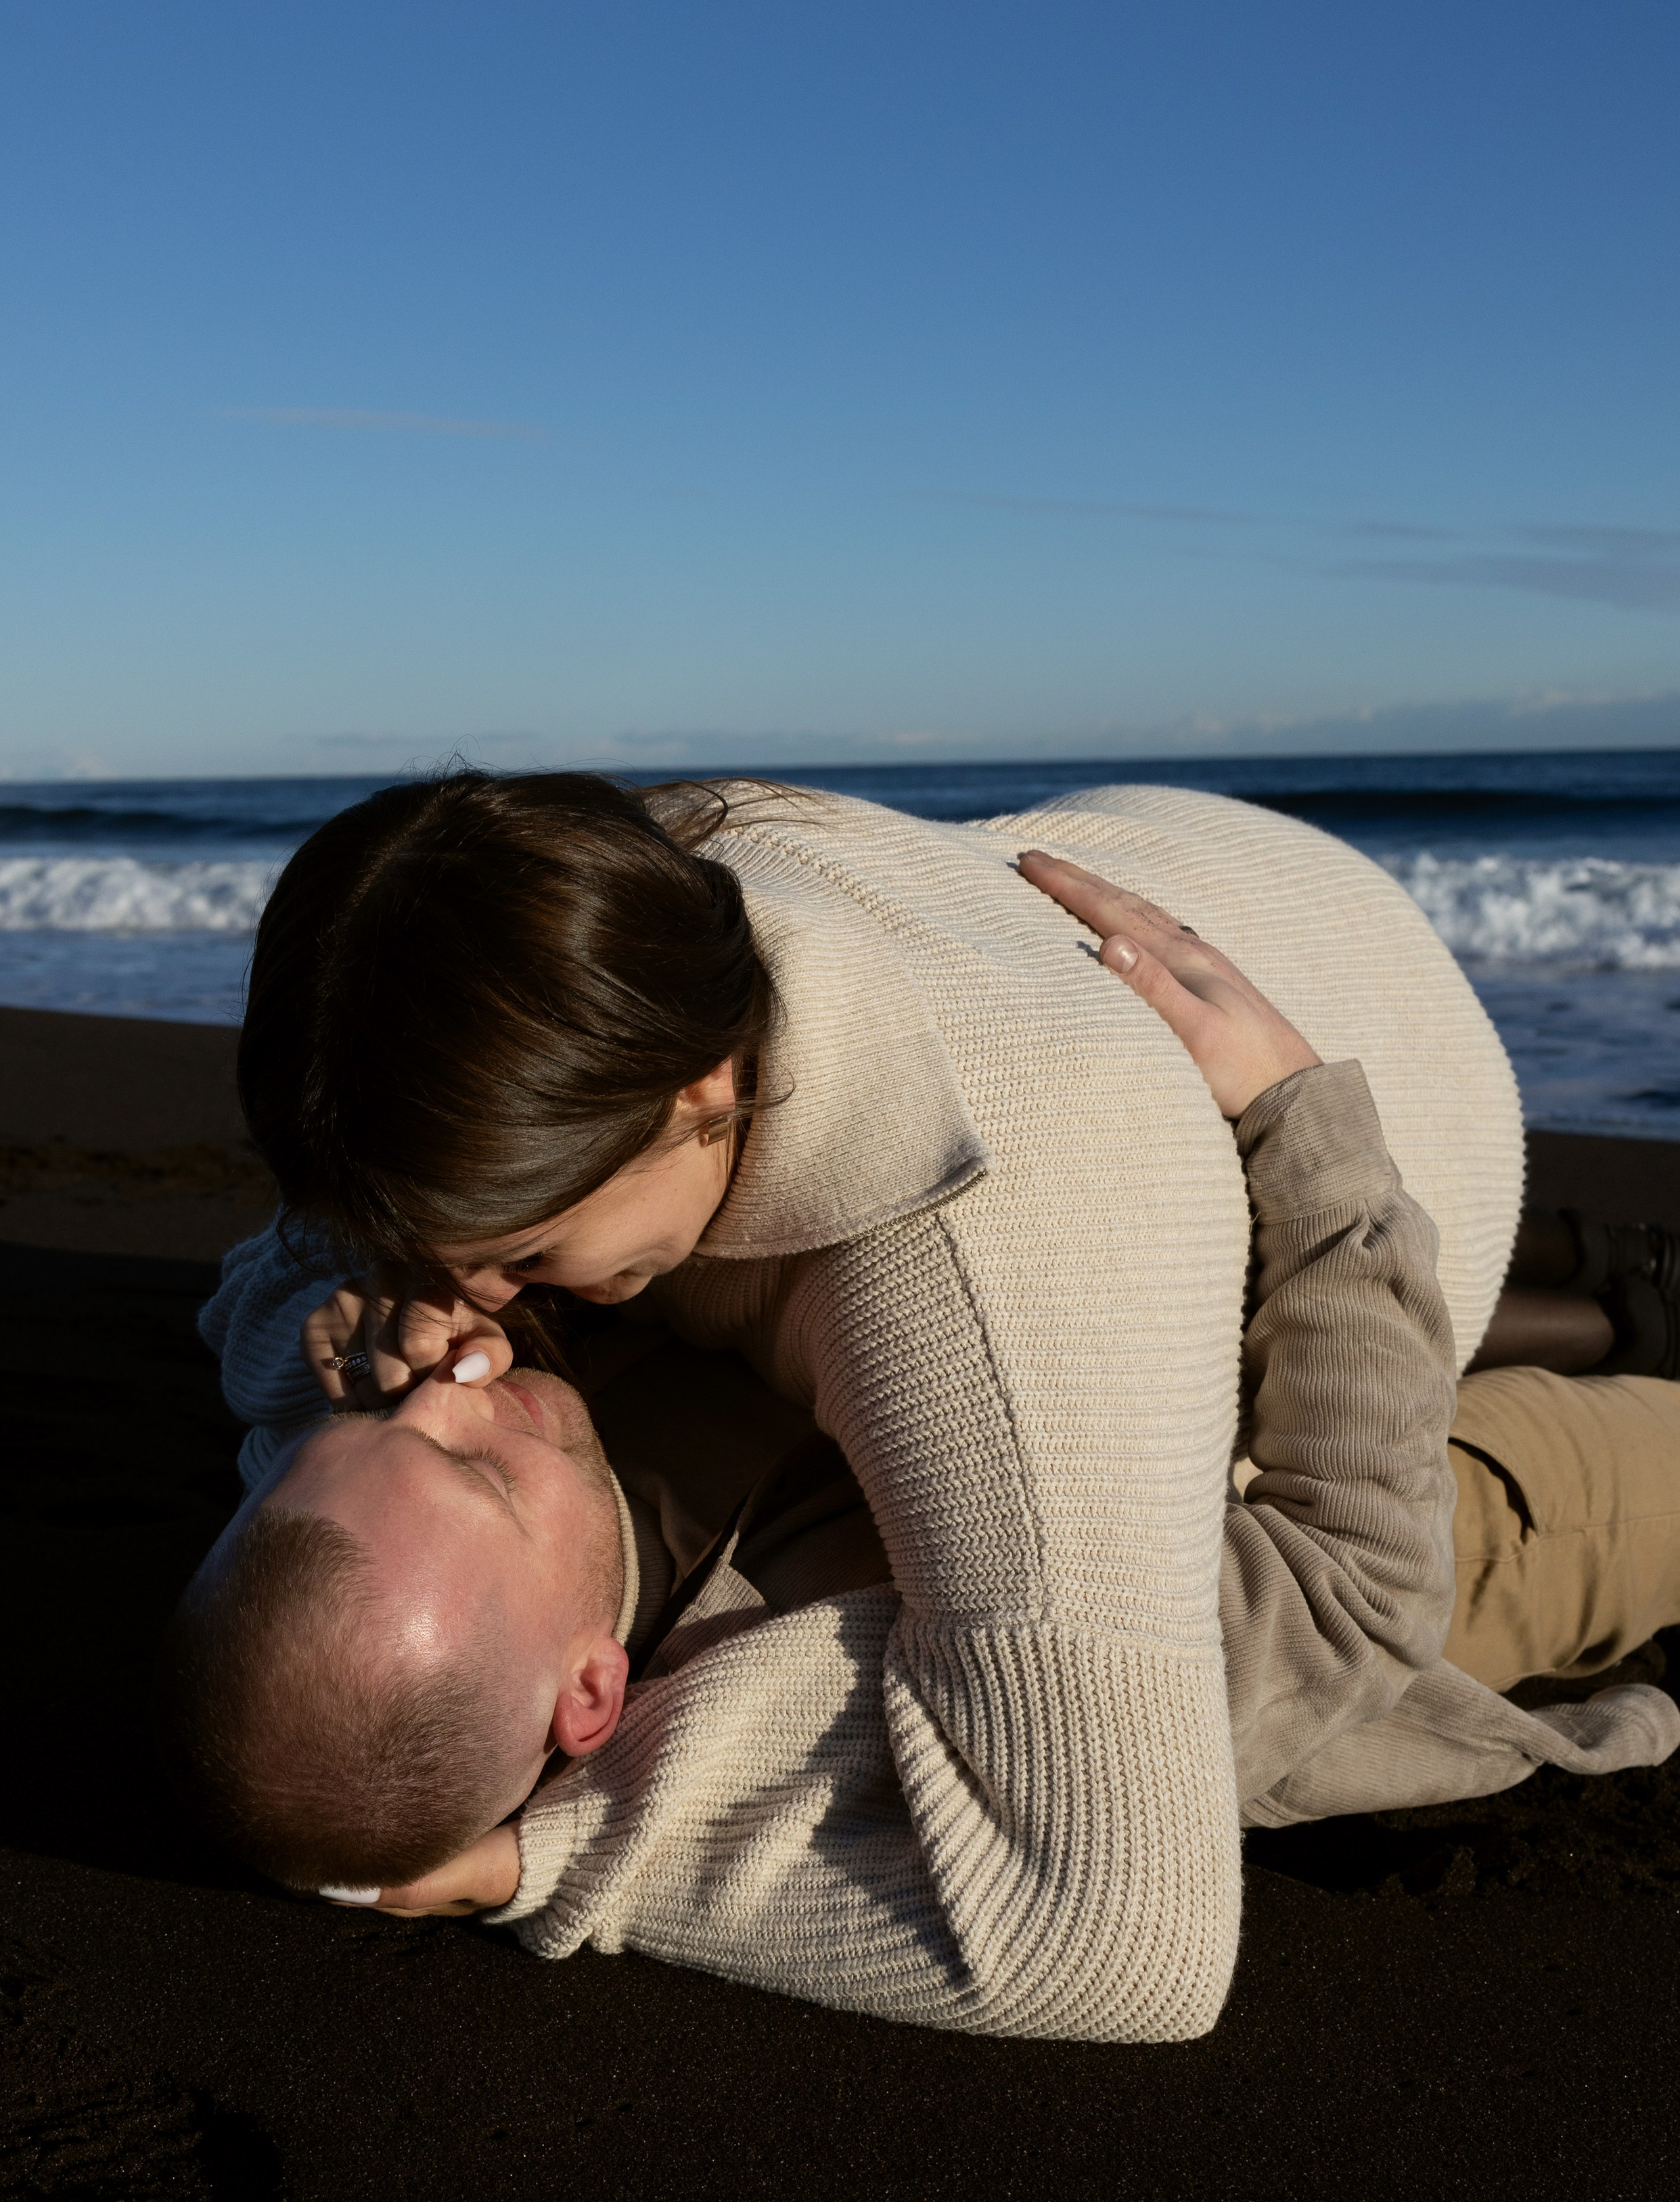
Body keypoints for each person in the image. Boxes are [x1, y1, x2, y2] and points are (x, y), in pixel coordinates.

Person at [169, 856, 1680, 2039]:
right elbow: (1352, 1573)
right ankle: (1597, 1320)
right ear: (591, 1692)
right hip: (1439, 1529)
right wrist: (1317, 1148)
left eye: (373, 1429)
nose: (445, 1394)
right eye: (473, 1466)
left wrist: (355, 1314)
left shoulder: (404, 1509)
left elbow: (263, 1314)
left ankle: (1594, 1294)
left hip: (1162, 1356)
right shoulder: (883, 1673)